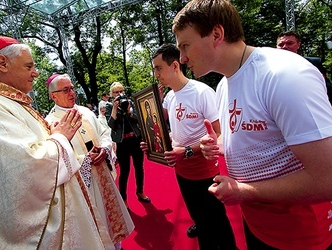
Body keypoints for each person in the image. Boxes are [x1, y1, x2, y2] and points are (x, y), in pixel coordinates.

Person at [172, 1, 332, 249]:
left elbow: (327, 179)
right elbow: (247, 135)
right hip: (256, 223)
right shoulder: (224, 85)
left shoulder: (283, 75)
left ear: (216, 34)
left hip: (300, 233)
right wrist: (218, 143)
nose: (182, 58)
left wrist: (244, 191)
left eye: (185, 46)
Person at [0, 36, 116, 249]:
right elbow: (25, 169)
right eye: (29, 66)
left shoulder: (12, 104)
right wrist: (61, 137)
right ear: (3, 63)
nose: (35, 72)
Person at [141, 43, 236, 249]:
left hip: (205, 172)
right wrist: (153, 143)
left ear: (175, 66)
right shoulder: (169, 97)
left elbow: (218, 133)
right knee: (199, 217)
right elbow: (173, 131)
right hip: (182, 172)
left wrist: (187, 151)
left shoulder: (202, 92)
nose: (155, 74)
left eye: (158, 68)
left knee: (216, 221)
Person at [45, 74, 134, 248]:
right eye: (65, 90)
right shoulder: (50, 123)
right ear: (53, 95)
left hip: (103, 175)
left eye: (72, 88)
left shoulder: (85, 112)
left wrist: (105, 149)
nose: (72, 92)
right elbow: (56, 156)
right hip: (81, 184)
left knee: (111, 220)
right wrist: (84, 160)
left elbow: (104, 132)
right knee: (96, 226)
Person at [105, 81, 151, 209]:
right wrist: (115, 108)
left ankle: (140, 191)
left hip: (135, 139)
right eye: (116, 92)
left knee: (139, 167)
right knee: (124, 171)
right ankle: (124, 198)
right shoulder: (109, 106)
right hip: (122, 143)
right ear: (112, 95)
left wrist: (129, 110)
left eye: (121, 91)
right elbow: (111, 125)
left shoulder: (131, 102)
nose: (119, 94)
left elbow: (139, 119)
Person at [277, 30, 332, 104]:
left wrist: (320, 81)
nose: (285, 47)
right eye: (281, 44)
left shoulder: (313, 63)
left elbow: (329, 89)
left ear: (298, 45)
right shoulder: (269, 67)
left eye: (290, 43)